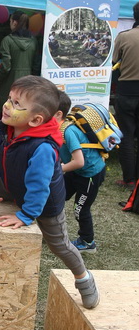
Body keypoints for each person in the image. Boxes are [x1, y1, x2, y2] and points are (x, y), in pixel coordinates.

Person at [0, 75, 99, 309]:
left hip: (45, 201)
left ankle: (84, 279)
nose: (7, 105)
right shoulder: (4, 130)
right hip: (14, 184)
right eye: (10, 99)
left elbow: (39, 187)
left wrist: (26, 215)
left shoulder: (43, 148)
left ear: (36, 120)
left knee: (59, 245)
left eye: (17, 104)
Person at [59, 95, 106, 253]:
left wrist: (60, 169)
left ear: (58, 114)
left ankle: (87, 242)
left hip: (90, 174)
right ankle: (54, 233)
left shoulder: (68, 131)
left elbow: (79, 162)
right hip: (76, 172)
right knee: (56, 196)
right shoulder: (59, 129)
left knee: (80, 209)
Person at [112, 2, 139, 188]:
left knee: (126, 135)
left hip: (127, 91)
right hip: (128, 91)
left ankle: (129, 179)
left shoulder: (124, 36)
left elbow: (114, 61)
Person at [0, 11, 38, 108]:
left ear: (14, 22)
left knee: (8, 108)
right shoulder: (33, 41)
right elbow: (36, 65)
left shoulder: (7, 40)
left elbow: (6, 66)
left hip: (10, 82)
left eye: (10, 21)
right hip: (28, 82)